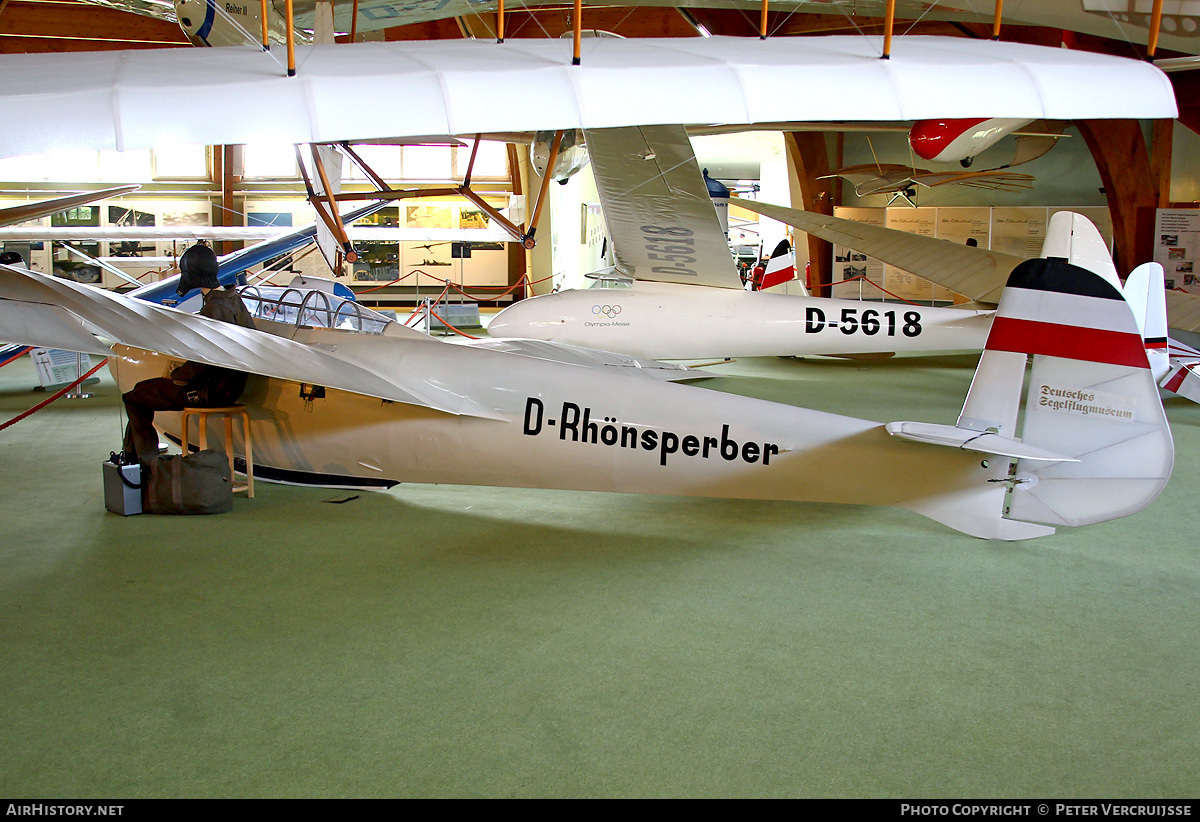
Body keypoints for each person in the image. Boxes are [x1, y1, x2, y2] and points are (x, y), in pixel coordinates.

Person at [121, 243, 256, 463]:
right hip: (232, 386)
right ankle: (135, 456)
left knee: (134, 398)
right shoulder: (233, 300)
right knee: (140, 390)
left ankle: (144, 462)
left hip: (210, 391)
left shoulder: (213, 309)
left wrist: (177, 374)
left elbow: (204, 361)